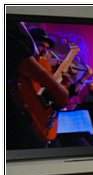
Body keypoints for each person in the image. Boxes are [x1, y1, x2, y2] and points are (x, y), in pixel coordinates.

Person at [7, 19, 69, 148]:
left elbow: (45, 96)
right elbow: (18, 55)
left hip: (36, 120)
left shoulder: (46, 66)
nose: (44, 51)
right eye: (41, 45)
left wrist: (64, 82)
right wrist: (56, 88)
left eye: (47, 49)